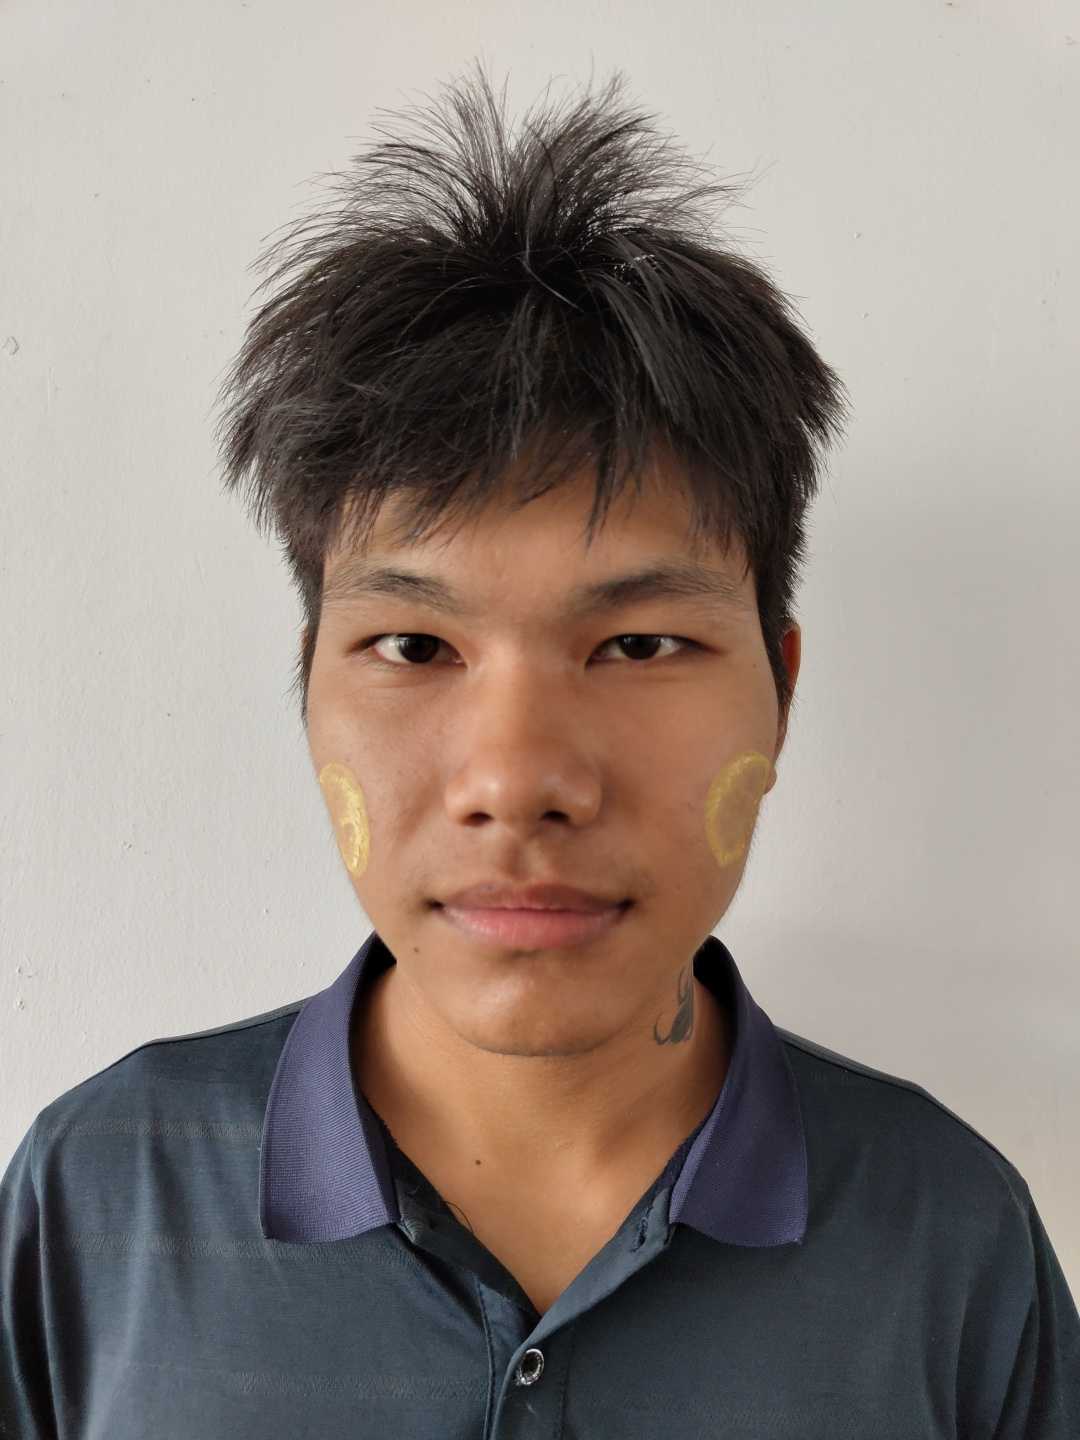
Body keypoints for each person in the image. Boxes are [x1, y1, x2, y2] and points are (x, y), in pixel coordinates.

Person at [3, 57, 1077, 1438]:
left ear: (782, 690)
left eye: (639, 645)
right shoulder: (100, 1197)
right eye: (413, 646)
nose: (516, 782)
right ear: (308, 683)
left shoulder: (948, 1234)